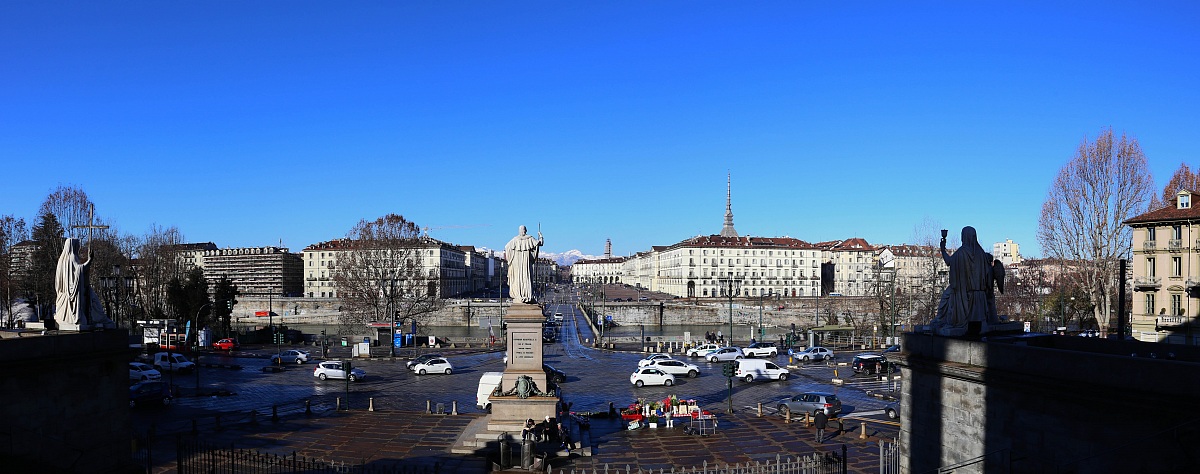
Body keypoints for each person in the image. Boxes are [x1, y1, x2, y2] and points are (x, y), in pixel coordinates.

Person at [504, 225, 544, 304]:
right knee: (525, 277)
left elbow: (507, 247)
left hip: (518, 262)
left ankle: (520, 295)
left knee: (519, 278)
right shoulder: (529, 238)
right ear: (525, 230)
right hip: (524, 262)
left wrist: (511, 258)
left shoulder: (515, 240)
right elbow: (539, 243)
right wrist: (541, 237)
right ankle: (526, 294)